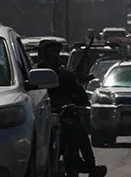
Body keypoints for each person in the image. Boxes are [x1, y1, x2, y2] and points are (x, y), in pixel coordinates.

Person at [36, 40, 107, 177]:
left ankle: (89, 166)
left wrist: (80, 98)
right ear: (43, 54)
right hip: (45, 113)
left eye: (57, 52)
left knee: (79, 130)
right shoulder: (38, 71)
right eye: (52, 52)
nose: (55, 56)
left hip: (65, 112)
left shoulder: (63, 72)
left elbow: (75, 88)